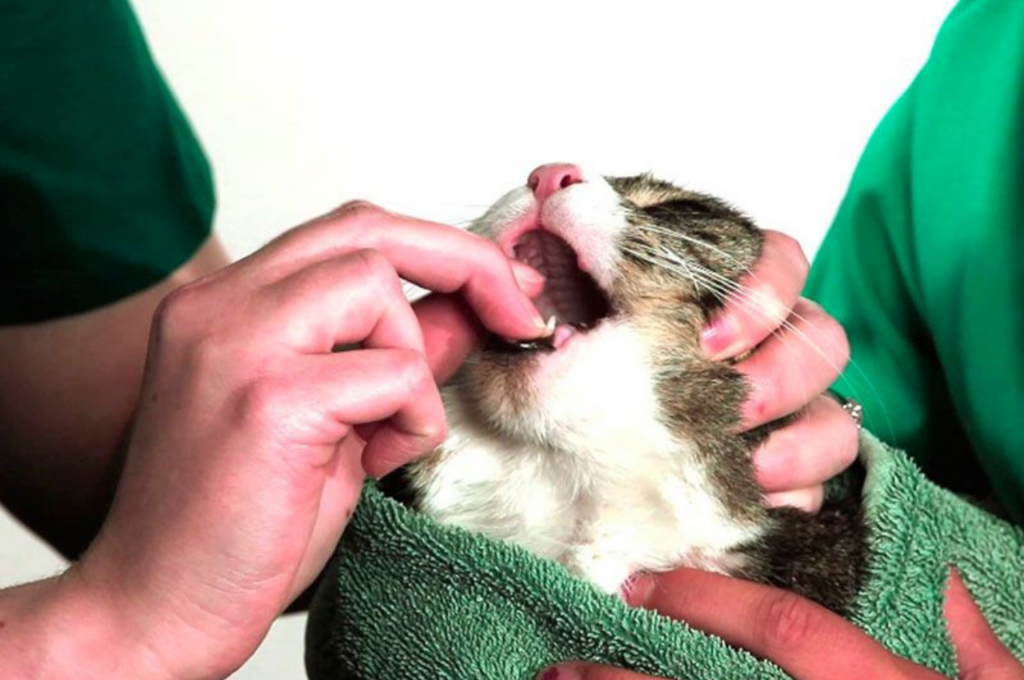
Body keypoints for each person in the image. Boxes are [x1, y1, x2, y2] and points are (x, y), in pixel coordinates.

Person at [0, 3, 1017, 680]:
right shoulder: (985, 71)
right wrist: (109, 624)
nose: (555, 176)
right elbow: (845, 422)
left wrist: (113, 622)